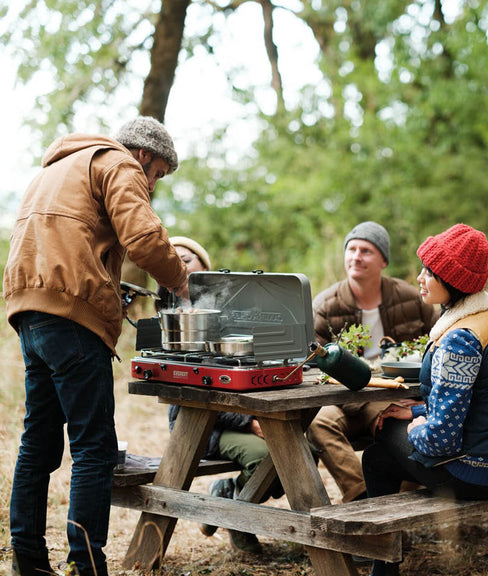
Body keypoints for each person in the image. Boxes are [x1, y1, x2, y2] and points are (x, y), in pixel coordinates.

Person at [4, 117, 189, 576]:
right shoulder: (119, 163)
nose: (153, 183)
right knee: (94, 447)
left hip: (29, 310)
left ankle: (27, 559)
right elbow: (144, 239)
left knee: (37, 443)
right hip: (71, 318)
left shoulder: (57, 167)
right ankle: (86, 565)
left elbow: (67, 243)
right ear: (144, 154)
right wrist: (184, 283)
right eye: (159, 174)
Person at [361, 223, 488, 576]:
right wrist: (418, 409)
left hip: (477, 473)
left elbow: (442, 439)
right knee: (381, 454)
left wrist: (416, 425)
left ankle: (382, 565)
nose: (420, 277)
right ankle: (382, 563)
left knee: (379, 445)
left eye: (430, 271)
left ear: (453, 281)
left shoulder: (459, 340)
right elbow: (478, 400)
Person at [162, 236, 283, 554]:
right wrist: (249, 423)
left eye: (186, 260)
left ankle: (229, 492)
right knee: (268, 458)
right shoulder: (171, 321)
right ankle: (239, 522)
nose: (178, 267)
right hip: (202, 423)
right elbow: (193, 391)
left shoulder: (231, 308)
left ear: (205, 265)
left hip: (244, 412)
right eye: (171, 261)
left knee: (306, 453)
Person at [307, 221, 439, 503]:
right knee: (318, 423)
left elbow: (437, 344)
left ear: (383, 260)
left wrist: (421, 397)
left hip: (388, 393)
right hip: (340, 397)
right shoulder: (324, 305)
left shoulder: (411, 298)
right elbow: (310, 363)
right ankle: (362, 498)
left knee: (392, 423)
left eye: (366, 250)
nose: (356, 256)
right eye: (351, 249)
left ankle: (405, 494)